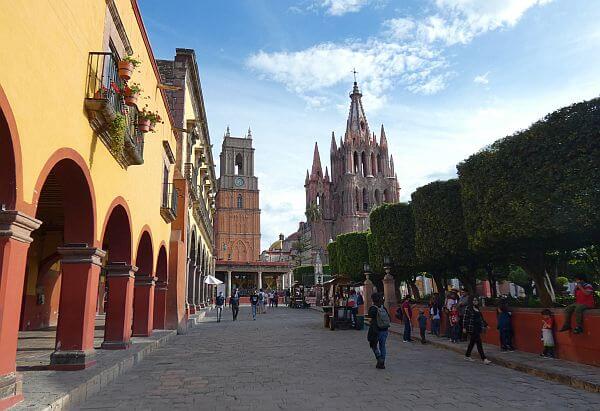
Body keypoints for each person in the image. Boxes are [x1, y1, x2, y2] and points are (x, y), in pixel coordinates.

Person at [463, 297, 491, 364]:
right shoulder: (468, 308)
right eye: (474, 300)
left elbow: (481, 318)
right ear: (471, 301)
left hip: (478, 327)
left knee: (472, 343)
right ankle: (484, 358)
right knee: (479, 342)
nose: (476, 301)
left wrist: (486, 325)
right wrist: (464, 327)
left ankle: (467, 355)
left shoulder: (477, 308)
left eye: (476, 300)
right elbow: (465, 318)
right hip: (472, 328)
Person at [367, 293, 390, 369]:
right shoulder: (384, 308)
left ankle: (379, 358)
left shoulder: (372, 308)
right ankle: (382, 362)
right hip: (384, 330)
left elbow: (370, 319)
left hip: (375, 331)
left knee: (373, 345)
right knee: (382, 346)